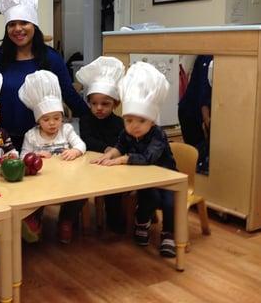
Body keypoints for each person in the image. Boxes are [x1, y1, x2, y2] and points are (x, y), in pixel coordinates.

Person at [91, 62, 178, 258]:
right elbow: (119, 145)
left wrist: (122, 160)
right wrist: (109, 155)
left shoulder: (158, 135)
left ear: (152, 120)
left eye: (141, 121)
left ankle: (168, 234)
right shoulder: (126, 132)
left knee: (169, 202)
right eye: (129, 120)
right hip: (144, 180)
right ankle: (142, 222)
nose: (134, 127)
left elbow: (149, 158)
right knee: (149, 197)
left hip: (167, 178)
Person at [0, 0, 88, 150]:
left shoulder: (52, 58)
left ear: (34, 25)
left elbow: (69, 94)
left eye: (24, 23)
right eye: (12, 24)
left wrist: (96, 119)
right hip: (2, 139)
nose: (18, 29)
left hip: (42, 142)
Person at [18, 70, 86, 243]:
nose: (52, 123)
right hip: (42, 182)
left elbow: (81, 145)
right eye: (46, 119)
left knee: (81, 194)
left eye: (57, 118)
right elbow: (23, 156)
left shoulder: (67, 130)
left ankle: (66, 220)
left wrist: (75, 151)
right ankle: (35, 219)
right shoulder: (31, 136)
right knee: (33, 195)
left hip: (66, 180)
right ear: (38, 121)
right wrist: (34, 154)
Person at [76, 56, 126, 233]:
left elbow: (122, 142)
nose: (99, 108)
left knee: (115, 190)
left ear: (116, 104)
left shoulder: (119, 123)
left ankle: (115, 220)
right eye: (94, 103)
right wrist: (107, 149)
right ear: (88, 103)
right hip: (91, 165)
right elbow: (87, 140)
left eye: (105, 104)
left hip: (113, 166)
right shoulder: (85, 120)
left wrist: (115, 152)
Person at [178, 55, 213, 174]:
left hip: (199, 110)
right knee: (196, 156)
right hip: (190, 112)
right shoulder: (207, 57)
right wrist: (207, 120)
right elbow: (203, 93)